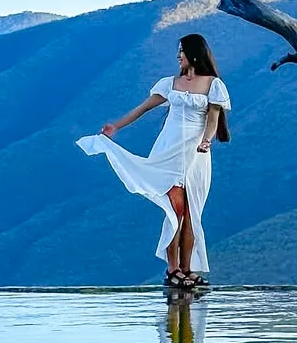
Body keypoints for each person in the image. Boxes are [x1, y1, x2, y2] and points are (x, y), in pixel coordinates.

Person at [76, 33, 231, 290]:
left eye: (181, 51)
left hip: (197, 153)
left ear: (194, 53)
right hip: (169, 149)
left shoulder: (213, 85)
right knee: (175, 210)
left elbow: (213, 119)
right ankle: (173, 270)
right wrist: (116, 126)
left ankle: (187, 269)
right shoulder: (169, 83)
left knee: (192, 213)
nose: (178, 56)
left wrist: (206, 141)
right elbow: (144, 107)